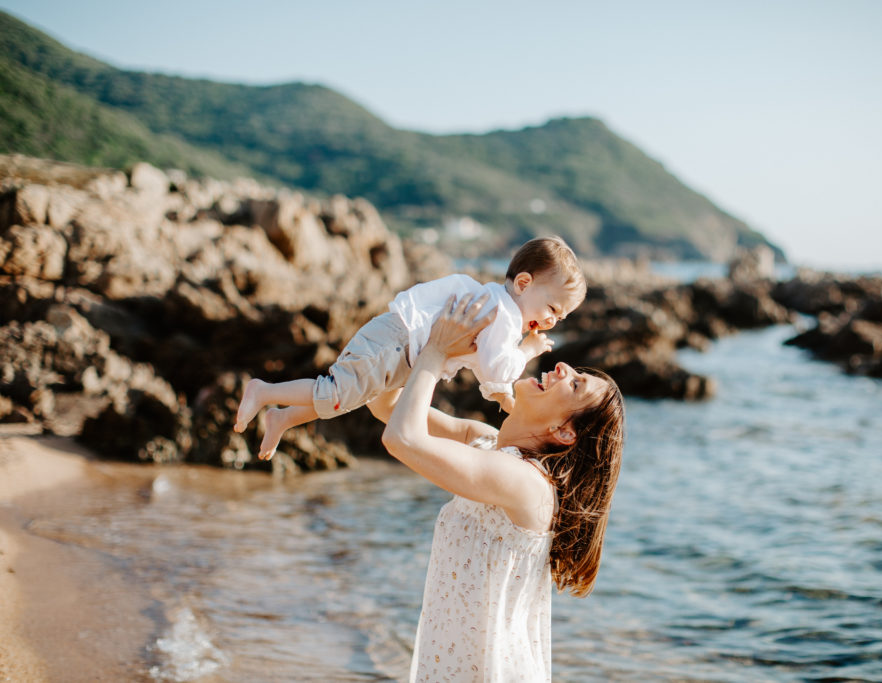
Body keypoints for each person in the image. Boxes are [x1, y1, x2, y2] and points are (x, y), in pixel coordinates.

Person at [372, 293, 625, 682]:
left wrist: (438, 350)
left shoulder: (527, 484)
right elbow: (386, 405)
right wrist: (431, 341)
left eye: (575, 385)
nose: (562, 367)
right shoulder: (486, 443)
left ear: (563, 432)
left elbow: (402, 439)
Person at [233, 236, 586, 459]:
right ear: (523, 283)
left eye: (561, 317)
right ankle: (265, 391)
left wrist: (506, 399)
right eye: (553, 308)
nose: (553, 321)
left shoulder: (496, 305)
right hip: (396, 344)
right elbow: (497, 367)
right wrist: (527, 351)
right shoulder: (504, 315)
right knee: (338, 393)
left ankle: (282, 418)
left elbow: (484, 366)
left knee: (351, 399)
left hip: (400, 350)